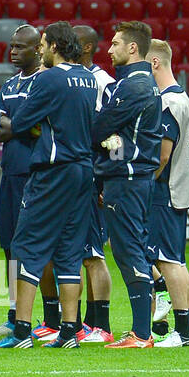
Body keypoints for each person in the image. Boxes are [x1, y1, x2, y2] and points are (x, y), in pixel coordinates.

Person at [0, 22, 97, 348]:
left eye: (44, 44)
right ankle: (68, 331)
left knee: (27, 247)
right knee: (68, 250)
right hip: (83, 170)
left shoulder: (50, 78)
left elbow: (21, 123)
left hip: (53, 171)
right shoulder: (89, 79)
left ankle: (21, 331)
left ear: (53, 46)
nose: (41, 49)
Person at [94, 21, 163, 349]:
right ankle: (141, 329)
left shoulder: (133, 86)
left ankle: (142, 334)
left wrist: (103, 143)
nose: (109, 50)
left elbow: (101, 128)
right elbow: (116, 136)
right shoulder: (143, 84)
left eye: (116, 43)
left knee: (128, 249)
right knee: (129, 248)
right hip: (131, 176)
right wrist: (110, 147)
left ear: (133, 48)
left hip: (129, 179)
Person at [0, 24, 41, 339]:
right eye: (12, 46)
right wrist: (21, 125)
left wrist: (16, 124)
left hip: (35, 174)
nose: (13, 52)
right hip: (9, 173)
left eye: (21, 47)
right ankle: (13, 313)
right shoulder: (8, 86)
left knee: (32, 247)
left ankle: (47, 315)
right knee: (8, 246)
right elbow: (2, 127)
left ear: (38, 48)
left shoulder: (44, 83)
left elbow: (33, 126)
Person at [146, 39, 189, 347]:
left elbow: (162, 155)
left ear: (154, 63)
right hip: (176, 188)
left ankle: (184, 332)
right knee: (171, 259)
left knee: (169, 261)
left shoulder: (168, 103)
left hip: (165, 189)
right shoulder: (181, 98)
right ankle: (177, 328)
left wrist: (143, 182)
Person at [74, 24, 114, 342]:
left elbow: (108, 135)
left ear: (86, 47)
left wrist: (102, 180)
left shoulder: (103, 83)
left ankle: (102, 324)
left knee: (93, 254)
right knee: (80, 253)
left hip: (91, 176)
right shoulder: (74, 79)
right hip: (77, 175)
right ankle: (87, 322)